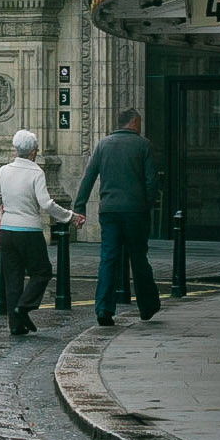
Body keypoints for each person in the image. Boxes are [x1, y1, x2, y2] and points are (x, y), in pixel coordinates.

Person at [0, 130, 83, 335]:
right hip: (29, 231)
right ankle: (24, 306)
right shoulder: (36, 172)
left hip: (7, 231)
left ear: (17, 149)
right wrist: (70, 217)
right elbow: (46, 203)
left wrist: (6, 204)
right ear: (33, 152)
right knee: (42, 271)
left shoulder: (4, 171)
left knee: (13, 279)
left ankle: (15, 325)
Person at [73, 108, 161, 327]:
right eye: (139, 122)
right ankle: (147, 306)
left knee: (109, 259)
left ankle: (104, 308)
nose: (140, 126)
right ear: (133, 123)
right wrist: (147, 204)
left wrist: (80, 207)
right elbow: (151, 182)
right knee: (139, 258)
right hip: (135, 212)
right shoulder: (144, 145)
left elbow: (89, 177)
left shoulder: (103, 145)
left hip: (109, 211)